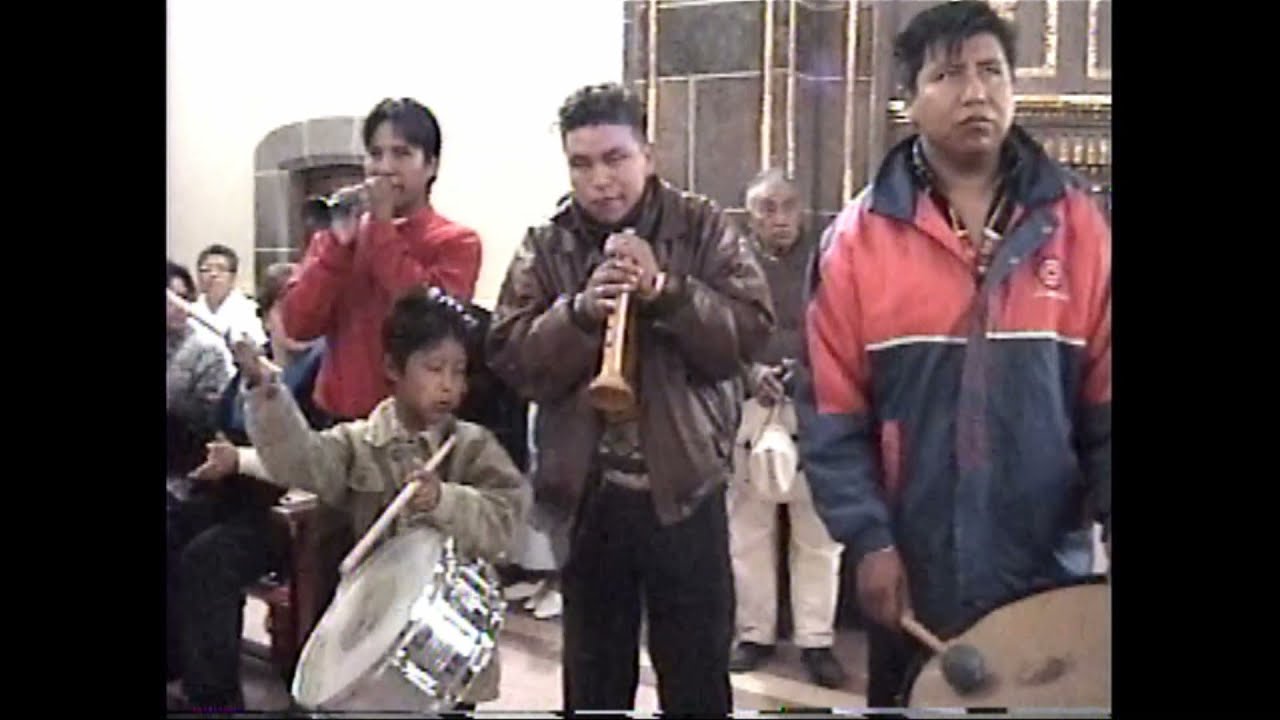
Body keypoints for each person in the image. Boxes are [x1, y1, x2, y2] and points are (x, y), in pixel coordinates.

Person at [796, 1, 1111, 706]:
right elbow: (831, 413)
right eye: (948, 74)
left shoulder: (1080, 228)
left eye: (992, 71)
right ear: (908, 99)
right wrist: (870, 537)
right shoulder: (857, 243)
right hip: (914, 573)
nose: (976, 91)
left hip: (1047, 567)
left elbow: (1106, 403)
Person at [486, 83, 774, 715]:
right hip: (590, 497)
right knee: (593, 686)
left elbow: (748, 334)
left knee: (696, 682)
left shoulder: (703, 227)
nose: (601, 181)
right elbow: (512, 358)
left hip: (686, 492)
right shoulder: (547, 244)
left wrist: (667, 291)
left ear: (649, 152)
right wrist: (581, 312)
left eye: (615, 158)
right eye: (581, 164)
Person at [194, 286, 526, 711]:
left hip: (448, 650)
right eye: (434, 368)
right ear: (392, 367)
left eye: (459, 371)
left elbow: (507, 520)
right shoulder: (359, 443)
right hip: (374, 641)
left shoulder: (472, 446)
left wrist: (444, 500)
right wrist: (264, 387)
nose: (449, 386)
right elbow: (298, 459)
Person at [167, 262, 332, 713]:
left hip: (286, 510)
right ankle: (176, 663)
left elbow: (312, 463)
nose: (301, 315)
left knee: (209, 559)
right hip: (231, 493)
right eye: (289, 305)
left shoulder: (324, 375)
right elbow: (217, 429)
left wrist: (235, 460)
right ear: (268, 314)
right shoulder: (248, 365)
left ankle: (215, 698)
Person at [282, 97, 483, 421]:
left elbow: (425, 319)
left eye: (402, 154)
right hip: (335, 420)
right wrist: (337, 248)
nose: (385, 167)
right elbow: (298, 325)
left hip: (413, 427)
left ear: (431, 166)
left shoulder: (458, 241)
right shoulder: (339, 236)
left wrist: (381, 225)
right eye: (376, 154)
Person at [726, 169, 847, 689]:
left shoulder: (828, 259)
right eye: (765, 209)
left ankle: (816, 639)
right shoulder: (729, 263)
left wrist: (803, 368)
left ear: (802, 209)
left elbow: (843, 326)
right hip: (750, 402)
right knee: (748, 528)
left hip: (814, 404)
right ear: (749, 215)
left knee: (818, 532)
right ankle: (755, 632)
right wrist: (749, 372)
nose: (777, 219)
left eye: (786, 206)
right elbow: (714, 329)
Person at [167, 260, 233, 479]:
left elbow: (214, 419)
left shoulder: (206, 351)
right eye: (171, 299)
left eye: (185, 298)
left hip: (186, 463)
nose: (179, 306)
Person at [194, 244, 269, 349]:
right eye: (207, 269)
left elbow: (258, 347)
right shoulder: (190, 309)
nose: (213, 274)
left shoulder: (248, 308)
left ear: (233, 276)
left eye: (221, 269)